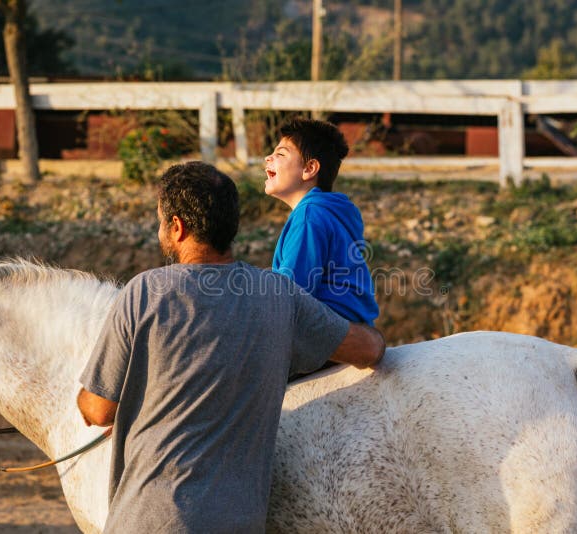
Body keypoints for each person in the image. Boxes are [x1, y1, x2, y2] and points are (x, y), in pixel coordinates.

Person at [76, 161, 385, 534]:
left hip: (149, 520)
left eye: (160, 221)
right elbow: (370, 349)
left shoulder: (145, 292)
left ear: (177, 227)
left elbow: (97, 409)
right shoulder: (279, 296)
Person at [264, 117, 379, 326]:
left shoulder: (309, 215)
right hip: (353, 323)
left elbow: (290, 291)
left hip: (330, 328)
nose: (267, 158)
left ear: (309, 168)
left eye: (280, 154)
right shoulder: (330, 211)